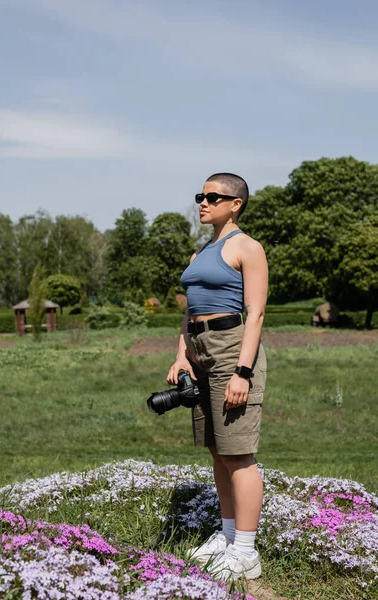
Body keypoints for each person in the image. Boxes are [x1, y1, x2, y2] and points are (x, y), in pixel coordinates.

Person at [166, 172, 268, 581]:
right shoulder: (199, 255)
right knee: (216, 451)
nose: (203, 202)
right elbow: (189, 314)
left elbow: (256, 314)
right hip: (202, 352)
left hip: (232, 349)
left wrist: (242, 372)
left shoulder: (247, 247)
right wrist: (182, 358)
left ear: (236, 203)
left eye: (213, 196)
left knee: (238, 455)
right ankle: (227, 539)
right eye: (200, 195)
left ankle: (246, 552)